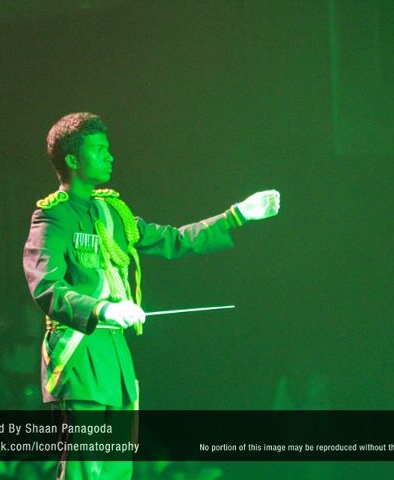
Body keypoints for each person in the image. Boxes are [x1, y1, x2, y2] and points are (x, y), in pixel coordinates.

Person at [23, 112, 280, 479]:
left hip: (116, 356)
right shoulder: (53, 216)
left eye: (108, 149)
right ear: (73, 160)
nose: (110, 156)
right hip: (78, 353)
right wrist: (103, 310)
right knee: (86, 469)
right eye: (99, 150)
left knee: (116, 471)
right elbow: (46, 287)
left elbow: (173, 240)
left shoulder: (113, 211)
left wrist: (236, 215)